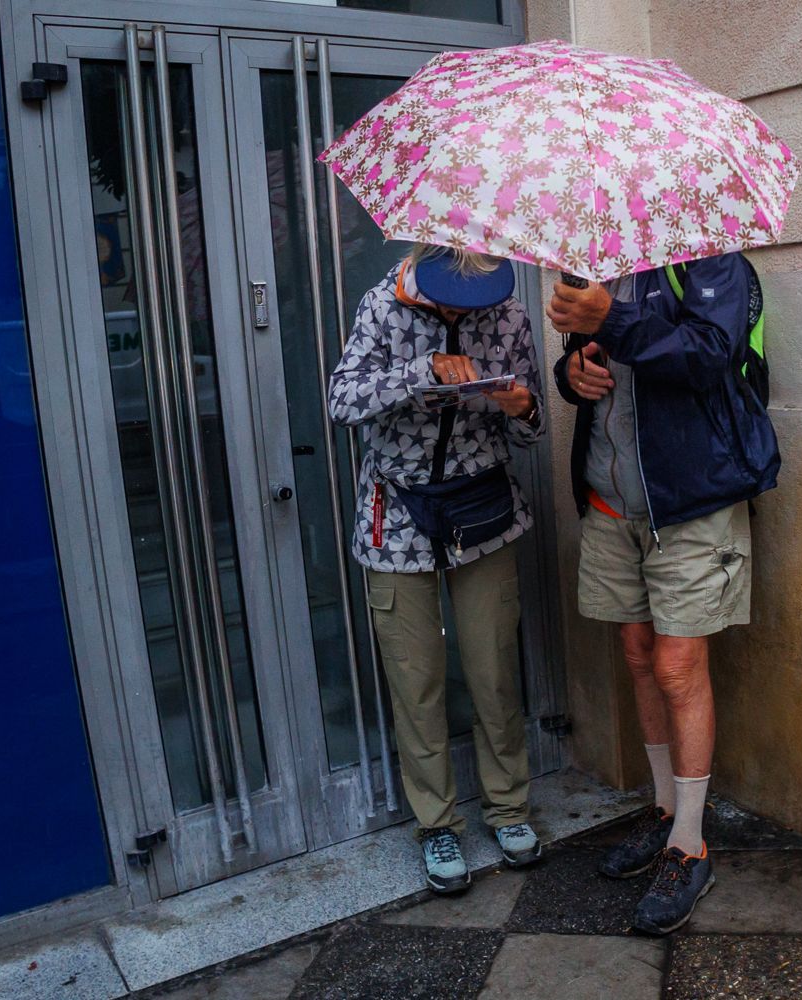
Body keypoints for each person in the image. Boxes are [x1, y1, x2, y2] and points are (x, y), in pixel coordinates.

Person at [547, 252, 779, 933]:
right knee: (640, 653)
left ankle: (691, 845)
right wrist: (573, 373)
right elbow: (579, 370)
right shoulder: (598, 266)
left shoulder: (713, 264)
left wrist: (611, 319)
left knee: (679, 667)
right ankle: (663, 810)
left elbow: (710, 357)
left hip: (689, 504)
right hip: (613, 503)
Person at [329, 246, 545, 894]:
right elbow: (342, 399)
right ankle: (437, 823)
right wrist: (417, 373)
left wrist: (520, 407)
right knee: (416, 679)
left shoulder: (506, 312)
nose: (468, 312)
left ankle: (508, 809)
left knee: (493, 671)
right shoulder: (381, 305)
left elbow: (536, 429)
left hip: (483, 510)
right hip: (395, 515)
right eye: (456, 301)